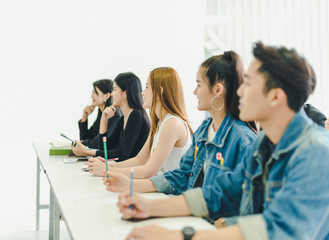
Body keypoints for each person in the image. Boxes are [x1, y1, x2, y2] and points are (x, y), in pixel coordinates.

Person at [117, 42, 329, 240]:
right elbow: (222, 193)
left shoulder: (316, 152)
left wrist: (181, 236)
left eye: (248, 83)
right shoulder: (263, 143)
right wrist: (149, 208)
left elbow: (278, 229)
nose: (239, 91)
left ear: (275, 97)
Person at [103, 51, 256, 201]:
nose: (194, 92)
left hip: (201, 215)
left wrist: (120, 177)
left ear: (217, 90)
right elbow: (182, 176)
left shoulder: (242, 139)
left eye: (199, 85)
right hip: (187, 206)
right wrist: (129, 184)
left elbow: (237, 201)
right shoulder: (203, 130)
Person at [87, 67, 193, 178]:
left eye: (147, 87)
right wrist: (106, 166)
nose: (142, 92)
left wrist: (106, 169)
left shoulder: (172, 124)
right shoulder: (159, 123)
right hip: (161, 187)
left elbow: (148, 171)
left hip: (170, 192)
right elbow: (139, 160)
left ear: (159, 92)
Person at [72, 72, 150, 162]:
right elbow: (104, 148)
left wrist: (88, 152)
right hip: (122, 170)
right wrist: (104, 120)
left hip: (133, 174)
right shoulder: (123, 119)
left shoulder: (136, 116)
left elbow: (122, 154)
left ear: (126, 93)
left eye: (115, 89)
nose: (112, 94)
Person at [78, 79, 122, 149]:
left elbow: (99, 143)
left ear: (107, 96)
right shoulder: (101, 113)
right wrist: (84, 117)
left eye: (95, 92)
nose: (91, 96)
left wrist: (84, 142)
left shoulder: (113, 114)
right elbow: (86, 138)